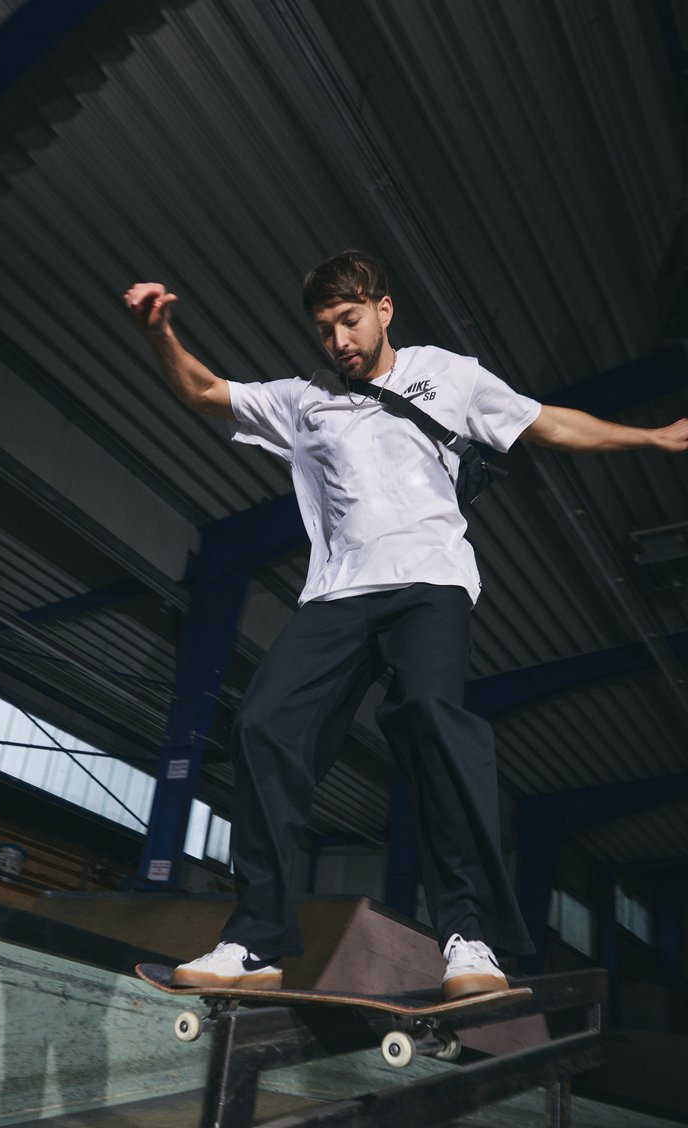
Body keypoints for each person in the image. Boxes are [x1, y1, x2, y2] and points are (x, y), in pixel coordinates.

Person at [125, 251, 688, 998]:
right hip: (337, 595)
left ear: (383, 309)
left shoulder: (449, 375)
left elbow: (546, 422)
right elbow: (201, 390)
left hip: (431, 584)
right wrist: (161, 330)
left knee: (429, 718)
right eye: (325, 330)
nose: (339, 343)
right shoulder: (306, 399)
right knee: (263, 723)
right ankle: (257, 940)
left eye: (349, 322)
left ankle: (467, 938)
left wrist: (649, 438)